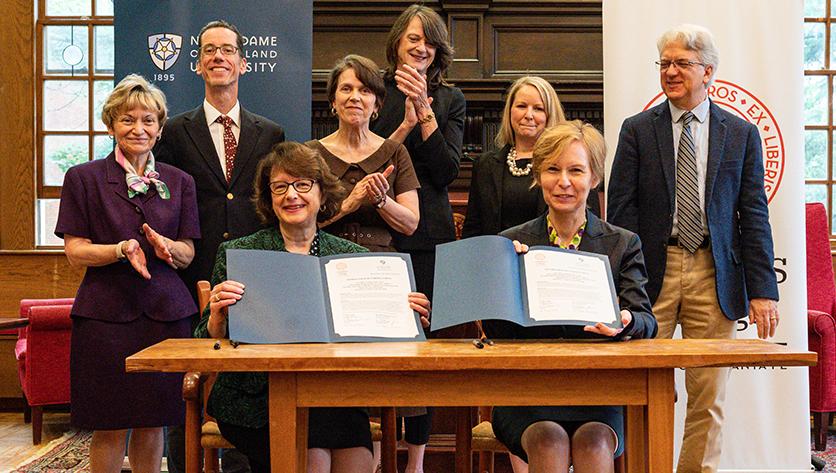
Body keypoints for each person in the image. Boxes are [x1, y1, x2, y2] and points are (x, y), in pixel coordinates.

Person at [194, 142, 431, 473]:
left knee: (356, 462)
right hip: (257, 398)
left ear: (322, 192)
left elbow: (381, 339)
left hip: (334, 393)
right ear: (269, 197)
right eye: (280, 187)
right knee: (314, 459)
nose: (291, 195)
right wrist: (217, 316)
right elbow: (207, 339)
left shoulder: (353, 256)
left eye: (302, 185)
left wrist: (410, 318)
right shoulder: (239, 253)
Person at [607, 24, 779, 473]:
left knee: (708, 394)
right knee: (642, 386)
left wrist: (763, 290)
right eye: (664, 63)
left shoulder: (740, 134)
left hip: (713, 271)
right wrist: (619, 280)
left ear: (708, 72)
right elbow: (620, 212)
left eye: (682, 63)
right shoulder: (637, 130)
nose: (670, 71)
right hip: (650, 273)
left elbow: (753, 215)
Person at [487, 121, 657, 473]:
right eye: (552, 169)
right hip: (528, 392)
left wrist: (626, 323)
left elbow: (646, 320)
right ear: (538, 176)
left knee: (593, 441)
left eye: (576, 170)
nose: (563, 182)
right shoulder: (511, 243)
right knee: (549, 439)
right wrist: (507, 280)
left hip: (598, 391)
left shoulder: (623, 243)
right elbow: (495, 332)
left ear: (594, 178)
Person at [154, 19, 284, 473]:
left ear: (243, 63)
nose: (218, 57)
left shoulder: (270, 133)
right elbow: (165, 203)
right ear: (198, 65)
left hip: (254, 279)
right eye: (209, 50)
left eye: (227, 50)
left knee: (246, 382)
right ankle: (183, 465)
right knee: (187, 384)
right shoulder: (172, 132)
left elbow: (275, 205)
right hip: (189, 276)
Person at [55, 74, 200, 473]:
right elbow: (75, 251)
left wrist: (168, 248)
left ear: (159, 126)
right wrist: (121, 249)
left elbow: (188, 252)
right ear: (111, 124)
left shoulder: (180, 181)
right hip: (105, 318)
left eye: (148, 120)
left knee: (154, 422)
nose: (139, 128)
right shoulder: (83, 178)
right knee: (109, 424)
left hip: (166, 316)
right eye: (128, 119)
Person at [370, 6, 465, 468]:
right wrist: (405, 120)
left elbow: (445, 170)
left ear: (437, 50)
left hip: (428, 235)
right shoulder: (373, 91)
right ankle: (368, 449)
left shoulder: (451, 99)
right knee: (370, 342)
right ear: (397, 43)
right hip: (376, 230)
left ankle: (416, 459)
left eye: (427, 40)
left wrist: (426, 111)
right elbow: (369, 157)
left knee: (421, 346)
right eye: (411, 38)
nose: (419, 46)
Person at [307, 54, 420, 251]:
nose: (355, 97)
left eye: (365, 91)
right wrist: (347, 205)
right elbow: (297, 222)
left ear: (377, 104)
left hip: (381, 261)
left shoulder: (395, 152)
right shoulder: (310, 153)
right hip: (326, 253)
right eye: (346, 89)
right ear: (333, 101)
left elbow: (410, 224)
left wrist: (381, 200)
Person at [462, 76, 565, 239]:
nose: (529, 115)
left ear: (550, 115)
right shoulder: (485, 165)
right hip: (497, 260)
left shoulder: (566, 164)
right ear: (510, 111)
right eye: (521, 106)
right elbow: (473, 230)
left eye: (538, 108)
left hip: (546, 259)